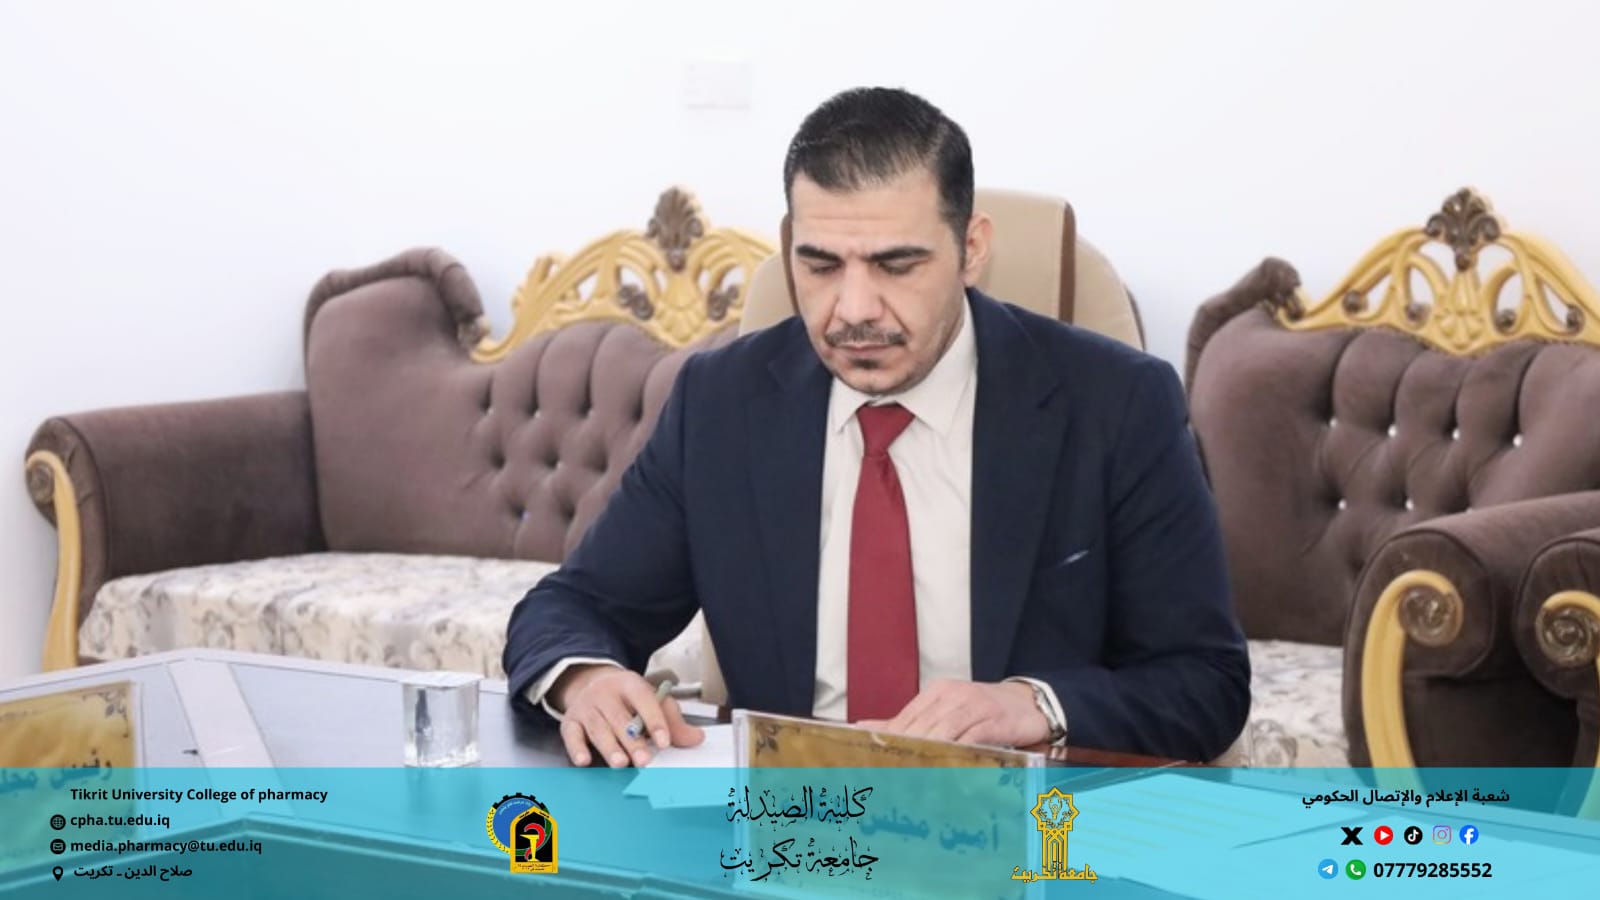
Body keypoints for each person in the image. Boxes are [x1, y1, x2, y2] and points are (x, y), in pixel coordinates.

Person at [503, 86, 1249, 768]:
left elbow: (1204, 681)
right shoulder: (721, 405)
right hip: (792, 831)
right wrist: (586, 679)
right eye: (821, 265)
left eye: (896, 265)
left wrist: (1032, 705)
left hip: (1021, 831)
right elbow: (574, 607)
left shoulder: (1116, 405)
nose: (854, 310)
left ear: (972, 249)